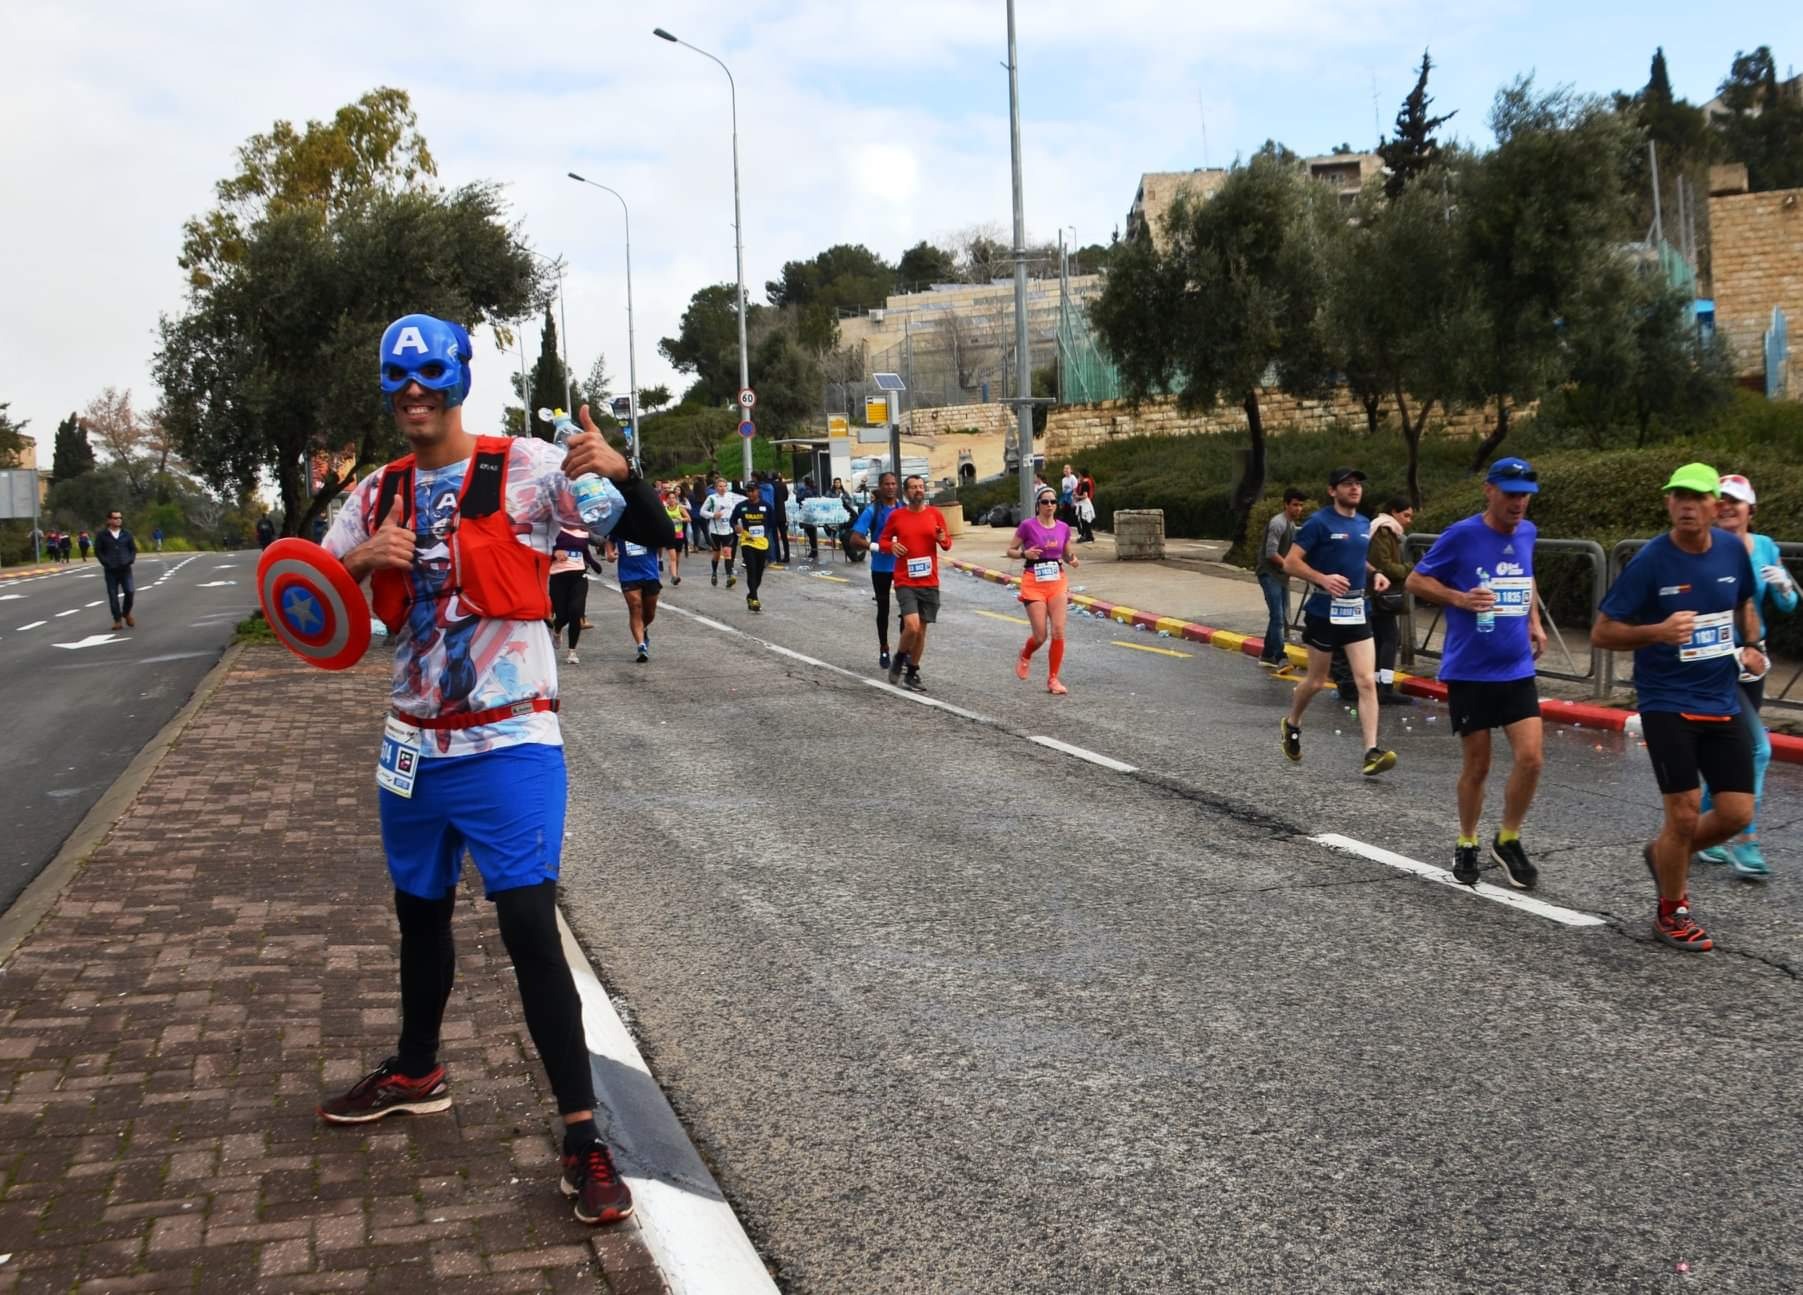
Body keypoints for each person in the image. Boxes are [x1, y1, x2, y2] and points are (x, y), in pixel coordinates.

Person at [314, 312, 636, 1225]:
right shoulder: (375, 493)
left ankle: (582, 1136)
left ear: (459, 378)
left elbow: (635, 525)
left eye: (429, 375)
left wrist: (621, 470)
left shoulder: (527, 466)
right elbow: (313, 612)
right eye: (397, 377)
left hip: (509, 741)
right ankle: (418, 1069)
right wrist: (356, 562)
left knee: (529, 925)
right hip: (412, 746)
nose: (413, 391)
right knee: (418, 915)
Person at [1592, 463, 1762, 953]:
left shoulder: (1731, 550)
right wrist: (1658, 632)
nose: (1687, 505)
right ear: (1669, 503)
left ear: (1715, 506)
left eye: (1697, 497)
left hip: (1721, 698)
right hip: (1666, 701)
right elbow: (1603, 631)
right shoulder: (1651, 560)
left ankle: (1666, 853)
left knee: (1735, 814)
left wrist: (1753, 645)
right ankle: (1671, 913)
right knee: (1685, 815)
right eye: (1678, 496)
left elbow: (1745, 602)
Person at [1406, 458, 1548, 887]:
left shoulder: (1527, 532)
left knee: (1531, 759)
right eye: (1510, 494)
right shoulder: (1462, 534)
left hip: (1516, 666)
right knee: (1478, 765)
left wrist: (1534, 621)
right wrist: (1459, 599)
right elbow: (1415, 581)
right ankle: (1467, 839)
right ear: (1489, 490)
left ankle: (1508, 838)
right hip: (1470, 670)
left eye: (1524, 496)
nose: (1518, 504)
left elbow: (1526, 576)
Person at [1696, 473, 1795, 879]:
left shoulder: (1766, 546)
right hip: (1717, 660)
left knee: (1731, 749)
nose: (1727, 508)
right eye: (1721, 500)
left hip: (1755, 663)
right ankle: (1745, 840)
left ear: (1750, 509)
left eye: (1735, 501)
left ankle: (1699, 832)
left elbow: (1788, 605)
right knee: (1758, 749)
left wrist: (1785, 587)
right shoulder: (1704, 546)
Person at [1278, 467, 1396, 777]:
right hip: (1324, 612)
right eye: (1347, 484)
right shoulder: (1319, 523)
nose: (1355, 489)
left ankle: (1371, 751)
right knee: (1316, 682)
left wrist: (1375, 573)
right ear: (1333, 491)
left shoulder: (1363, 523)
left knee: (1366, 681)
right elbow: (1291, 563)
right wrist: (1322, 578)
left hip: (1356, 610)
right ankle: (1292, 723)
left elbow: (1356, 557)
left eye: (1358, 484)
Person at [878, 474, 952, 691]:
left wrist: (942, 539)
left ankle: (912, 673)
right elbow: (883, 540)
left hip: (929, 581)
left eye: (921, 486)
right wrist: (891, 546)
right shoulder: (897, 516)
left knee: (921, 631)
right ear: (906, 492)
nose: (918, 490)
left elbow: (947, 543)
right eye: (913, 487)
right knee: (912, 625)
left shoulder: (935, 514)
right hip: (905, 580)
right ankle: (900, 658)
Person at [1009, 488, 1080, 694]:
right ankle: (1026, 654)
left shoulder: (1063, 528)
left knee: (1058, 630)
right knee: (1040, 636)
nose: (1049, 505)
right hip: (1034, 582)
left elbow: (1066, 553)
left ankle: (1053, 679)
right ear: (1038, 505)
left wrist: (1072, 559)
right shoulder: (1027, 526)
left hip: (1056, 581)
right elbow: (1010, 550)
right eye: (1045, 502)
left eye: (1053, 502)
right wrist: (1025, 554)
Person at [847, 472, 902, 667]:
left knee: (908, 609)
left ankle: (904, 651)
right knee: (883, 609)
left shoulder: (904, 509)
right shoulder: (872, 511)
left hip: (902, 567)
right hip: (881, 567)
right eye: (886, 484)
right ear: (880, 486)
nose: (890, 487)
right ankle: (884, 648)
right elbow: (854, 539)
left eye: (893, 483)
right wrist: (876, 546)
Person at [1368, 495, 1416, 705]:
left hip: (1379, 592)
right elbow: (1384, 565)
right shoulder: (1384, 531)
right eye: (1406, 515)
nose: (1408, 521)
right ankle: (1385, 687)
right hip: (1381, 592)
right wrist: (1409, 569)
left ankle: (1379, 684)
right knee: (1389, 638)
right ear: (1394, 512)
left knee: (1381, 639)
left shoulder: (1386, 530)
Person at [1258, 489, 1308, 668]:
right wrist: (1288, 566)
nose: (1298, 508)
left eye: (1301, 505)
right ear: (1286, 504)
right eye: (1295, 504)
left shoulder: (1291, 525)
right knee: (1278, 617)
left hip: (1281, 576)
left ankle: (1267, 654)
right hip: (1269, 574)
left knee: (1278, 617)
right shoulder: (1278, 523)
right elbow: (1271, 552)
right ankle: (1280, 656)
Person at [548, 527, 604, 666]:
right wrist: (554, 553)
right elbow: (542, 552)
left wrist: (594, 564)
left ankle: (572, 652)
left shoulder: (583, 531)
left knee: (575, 611)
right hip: (558, 577)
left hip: (579, 577)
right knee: (562, 615)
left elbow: (585, 552)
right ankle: (557, 629)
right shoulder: (554, 530)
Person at [608, 529, 663, 660]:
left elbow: (663, 538)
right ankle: (641, 646)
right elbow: (610, 540)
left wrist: (659, 557)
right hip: (628, 573)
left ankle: (643, 629)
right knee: (635, 607)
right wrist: (609, 553)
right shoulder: (621, 524)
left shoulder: (651, 523)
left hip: (650, 572)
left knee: (650, 613)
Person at [730, 485, 773, 612]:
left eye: (752, 491)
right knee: (751, 570)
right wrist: (736, 526)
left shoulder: (766, 506)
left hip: (762, 543)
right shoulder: (741, 506)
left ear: (758, 491)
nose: (750, 494)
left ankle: (750, 595)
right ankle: (755, 599)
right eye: (748, 491)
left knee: (759, 573)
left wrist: (767, 533)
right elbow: (732, 520)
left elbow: (772, 522)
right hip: (747, 542)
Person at [94, 509, 137, 631]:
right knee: (113, 595)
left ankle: (126, 613)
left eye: (120, 518)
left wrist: (130, 559)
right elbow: (98, 551)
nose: (118, 520)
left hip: (125, 568)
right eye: (115, 518)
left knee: (130, 591)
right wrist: (105, 562)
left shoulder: (127, 534)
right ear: (109, 520)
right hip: (111, 570)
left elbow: (133, 549)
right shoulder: (102, 535)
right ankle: (117, 620)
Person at [700, 477, 740, 587]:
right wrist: (713, 515)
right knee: (716, 554)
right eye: (720, 486)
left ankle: (729, 576)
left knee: (727, 552)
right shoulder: (711, 498)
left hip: (728, 530)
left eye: (724, 486)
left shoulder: (731, 496)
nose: (722, 488)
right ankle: (714, 573)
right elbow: (702, 512)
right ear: (716, 488)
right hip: (715, 530)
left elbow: (739, 506)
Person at [661, 485, 686, 587]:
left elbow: (688, 518)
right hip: (669, 535)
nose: (671, 500)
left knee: (677, 558)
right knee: (673, 557)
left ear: (676, 499)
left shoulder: (680, 508)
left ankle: (673, 573)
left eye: (673, 498)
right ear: (666, 500)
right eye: (669, 498)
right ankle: (674, 576)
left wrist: (681, 519)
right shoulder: (664, 510)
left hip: (679, 535)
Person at [770, 471, 791, 565]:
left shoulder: (770, 486)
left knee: (775, 537)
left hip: (773, 512)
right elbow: (786, 497)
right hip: (781, 512)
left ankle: (777, 556)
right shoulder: (783, 485)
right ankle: (787, 555)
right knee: (784, 536)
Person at [1073, 468, 1097, 543]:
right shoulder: (1085, 482)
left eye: (1079, 475)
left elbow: (1085, 496)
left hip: (1084, 504)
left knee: (1085, 520)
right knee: (1083, 520)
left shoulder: (1085, 483)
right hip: (1083, 504)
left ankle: (1088, 537)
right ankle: (1086, 535)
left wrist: (1077, 496)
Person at [1058, 463, 1078, 527]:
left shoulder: (1073, 478)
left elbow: (1075, 490)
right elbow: (1064, 491)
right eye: (1064, 468)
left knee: (1071, 515)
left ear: (1071, 470)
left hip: (1071, 499)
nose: (1066, 470)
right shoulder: (1063, 479)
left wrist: (1073, 501)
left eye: (1067, 468)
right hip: (1065, 499)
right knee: (1064, 516)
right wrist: (1061, 502)